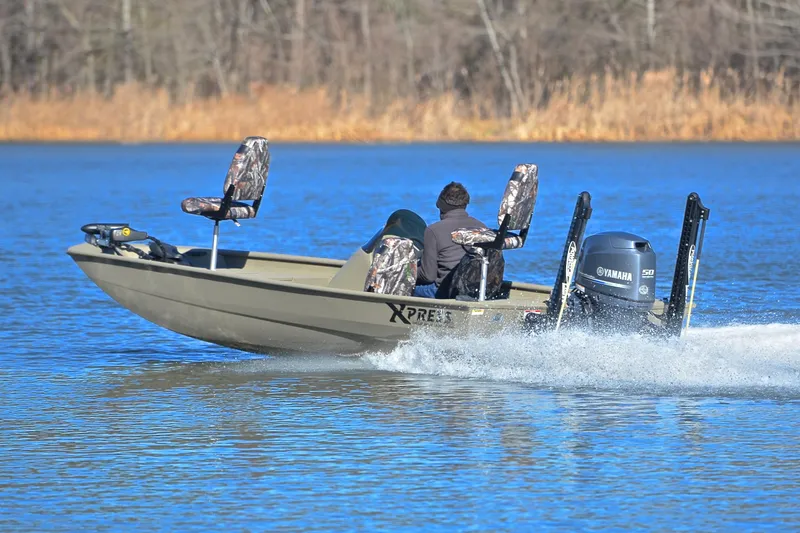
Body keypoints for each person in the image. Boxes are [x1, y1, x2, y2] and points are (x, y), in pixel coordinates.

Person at [413, 182, 487, 298]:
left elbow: (428, 276)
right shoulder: (482, 227)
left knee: (404, 288)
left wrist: (408, 270)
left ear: (440, 205)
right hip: (474, 291)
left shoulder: (433, 230)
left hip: (445, 292)